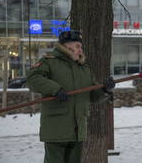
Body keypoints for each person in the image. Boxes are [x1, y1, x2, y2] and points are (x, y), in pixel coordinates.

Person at [26, 30, 115, 163]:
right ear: (66, 46)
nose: (80, 50)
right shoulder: (49, 63)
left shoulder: (84, 69)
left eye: (81, 47)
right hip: (56, 130)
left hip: (78, 131)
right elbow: (33, 79)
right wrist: (56, 89)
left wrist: (105, 90)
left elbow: (94, 97)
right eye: (77, 46)